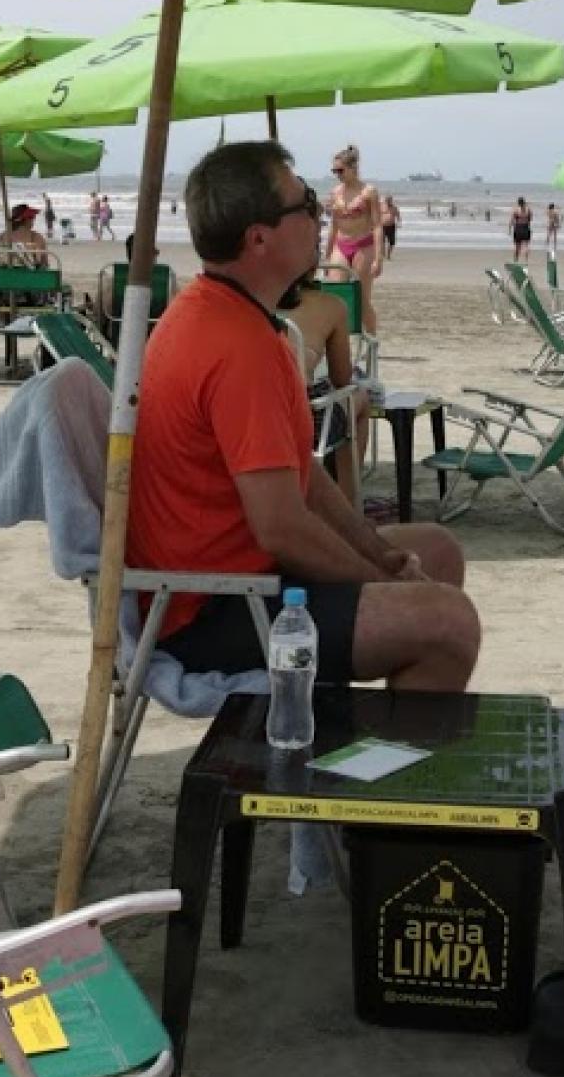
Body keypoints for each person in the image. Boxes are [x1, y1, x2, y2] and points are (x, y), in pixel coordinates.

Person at [129, 141, 479, 692]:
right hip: (211, 609)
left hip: (238, 579)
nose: (320, 218)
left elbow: (301, 472)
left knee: (436, 550)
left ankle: (383, 743)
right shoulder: (238, 346)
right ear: (259, 238)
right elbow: (281, 529)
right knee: (447, 621)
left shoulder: (225, 314)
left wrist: (379, 552)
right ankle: (389, 768)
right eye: (305, 204)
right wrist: (380, 582)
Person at [279, 273, 371, 505]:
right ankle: (347, 503)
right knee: (358, 398)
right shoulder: (329, 305)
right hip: (308, 425)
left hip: (255, 418)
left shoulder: (243, 303)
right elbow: (341, 378)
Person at [325, 144, 382, 333]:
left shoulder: (369, 192)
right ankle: (339, 341)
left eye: (340, 170)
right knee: (336, 297)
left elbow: (377, 225)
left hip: (363, 246)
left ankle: (371, 340)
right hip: (341, 246)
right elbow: (333, 226)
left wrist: (378, 258)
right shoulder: (335, 193)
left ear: (353, 168)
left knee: (362, 299)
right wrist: (327, 256)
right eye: (334, 171)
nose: (337, 174)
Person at [508, 196, 533, 263]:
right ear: (524, 202)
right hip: (525, 227)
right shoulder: (528, 210)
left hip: (518, 227)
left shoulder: (515, 210)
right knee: (526, 245)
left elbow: (511, 220)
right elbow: (530, 219)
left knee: (517, 246)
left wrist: (509, 229)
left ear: (518, 203)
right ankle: (526, 261)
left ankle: (516, 261)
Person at [380, 193, 401, 260]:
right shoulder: (381, 206)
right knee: (382, 241)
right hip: (383, 226)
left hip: (391, 226)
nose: (388, 201)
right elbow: (376, 215)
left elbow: (398, 216)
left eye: (390, 200)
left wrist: (399, 223)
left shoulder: (394, 208)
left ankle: (388, 255)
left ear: (391, 200)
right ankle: (383, 255)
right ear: (385, 200)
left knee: (392, 242)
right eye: (387, 200)